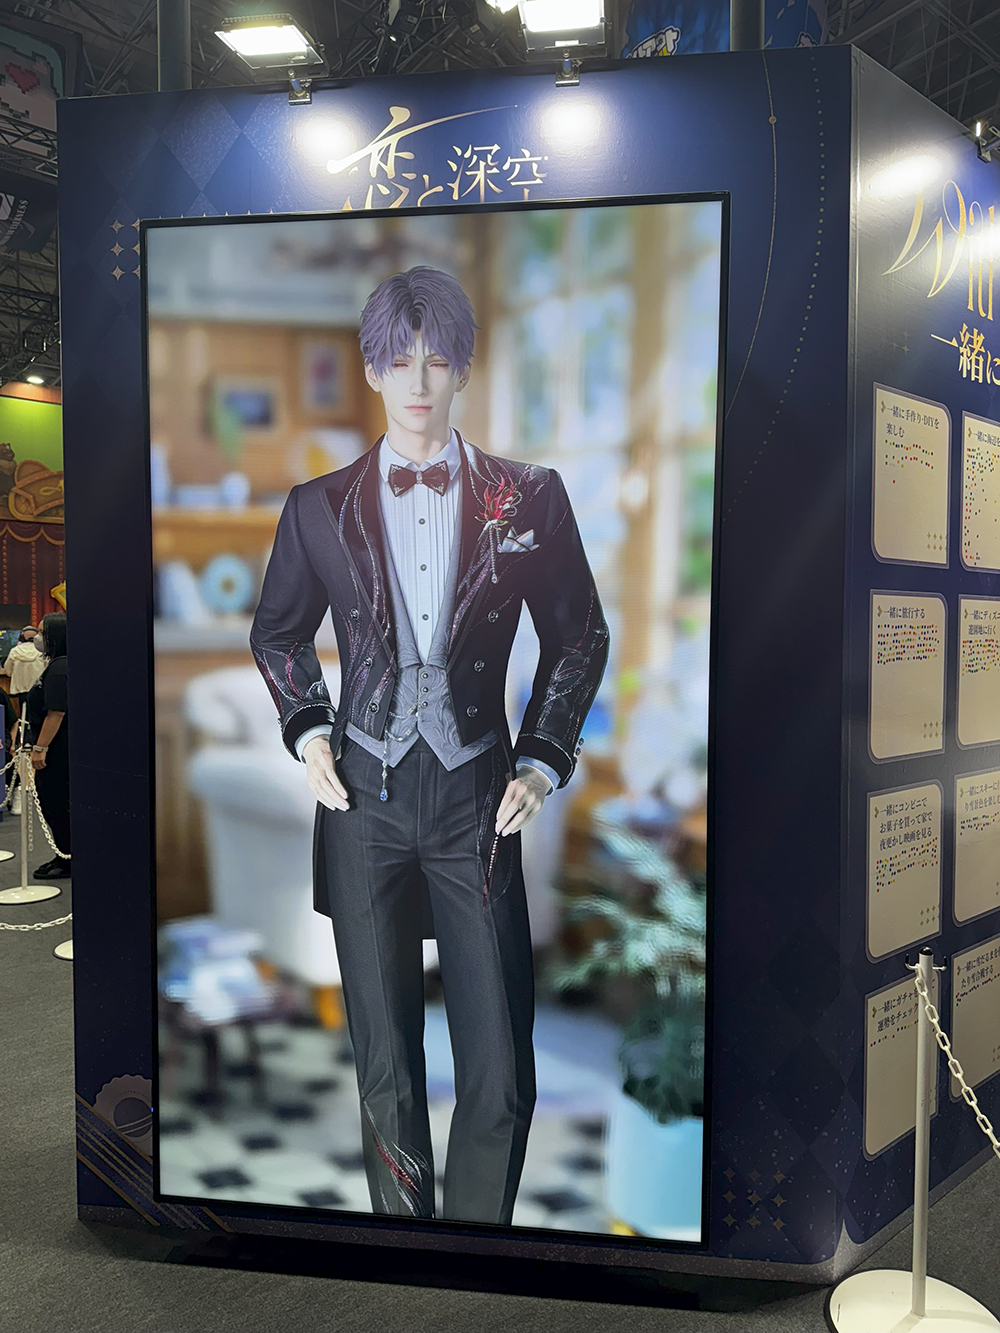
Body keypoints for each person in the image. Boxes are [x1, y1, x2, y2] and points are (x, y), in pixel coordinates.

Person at [251, 266, 608, 1226]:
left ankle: (478, 1249)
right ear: (372, 369)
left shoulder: (531, 496)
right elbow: (277, 632)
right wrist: (309, 729)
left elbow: (580, 634)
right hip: (358, 800)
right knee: (385, 1064)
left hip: (478, 800)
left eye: (436, 358)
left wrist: (542, 757)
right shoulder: (316, 506)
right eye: (398, 359)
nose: (417, 379)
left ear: (463, 369)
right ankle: (407, 1250)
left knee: (500, 1066)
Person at [26, 612, 70, 878]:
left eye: (42, 632)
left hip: (57, 748)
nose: (37, 637)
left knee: (55, 802)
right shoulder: (57, 665)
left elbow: (56, 713)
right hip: (57, 746)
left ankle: (67, 858)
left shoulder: (59, 667)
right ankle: (63, 854)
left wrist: (40, 748)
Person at [3, 626, 44, 713]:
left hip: (20, 691)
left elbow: (8, 671)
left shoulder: (14, 651)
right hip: (38, 690)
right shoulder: (41, 651)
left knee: (23, 714)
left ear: (21, 638)